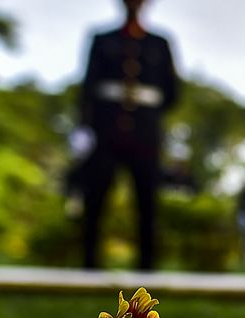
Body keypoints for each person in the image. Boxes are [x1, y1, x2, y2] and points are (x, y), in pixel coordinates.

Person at [77, 0, 179, 270]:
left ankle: (147, 267)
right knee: (96, 197)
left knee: (147, 201)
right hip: (106, 130)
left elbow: (171, 93)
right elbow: (88, 88)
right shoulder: (102, 39)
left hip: (145, 133)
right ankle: (90, 264)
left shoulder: (159, 43)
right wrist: (85, 128)